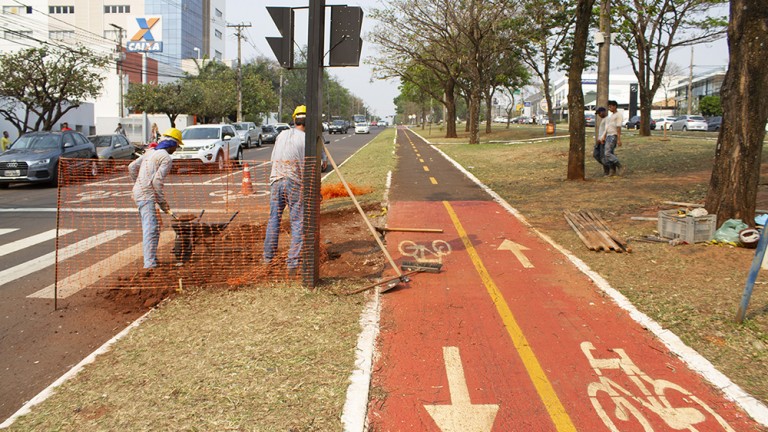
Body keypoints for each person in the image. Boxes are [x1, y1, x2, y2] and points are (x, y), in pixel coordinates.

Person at [128, 128, 183, 270]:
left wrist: (138, 183)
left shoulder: (151, 152)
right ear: (172, 144)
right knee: (151, 228)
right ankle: (149, 265)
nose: (175, 150)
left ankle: (151, 258)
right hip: (146, 196)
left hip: (140, 193)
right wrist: (163, 203)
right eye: (176, 147)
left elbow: (131, 167)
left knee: (154, 226)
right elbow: (157, 182)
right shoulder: (166, 158)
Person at [263, 105, 308, 277]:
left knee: (274, 219)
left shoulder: (281, 134)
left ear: (294, 119)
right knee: (298, 221)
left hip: (275, 181)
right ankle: (293, 263)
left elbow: (274, 157)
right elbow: (307, 167)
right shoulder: (306, 140)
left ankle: (268, 258)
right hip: (293, 182)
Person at [600, 100, 624, 176]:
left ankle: (620, 165)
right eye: (609, 107)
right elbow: (607, 127)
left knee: (607, 153)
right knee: (609, 153)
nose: (609, 108)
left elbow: (618, 127)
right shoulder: (611, 116)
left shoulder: (618, 115)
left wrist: (619, 139)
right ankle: (612, 170)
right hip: (608, 135)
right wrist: (603, 136)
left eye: (610, 106)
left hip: (613, 135)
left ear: (614, 106)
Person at [593, 107, 609, 176]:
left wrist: (603, 138)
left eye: (599, 113)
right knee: (596, 154)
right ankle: (608, 166)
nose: (599, 115)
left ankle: (607, 170)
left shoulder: (607, 119)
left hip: (603, 140)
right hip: (599, 140)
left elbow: (607, 130)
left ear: (603, 112)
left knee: (603, 157)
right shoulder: (603, 120)